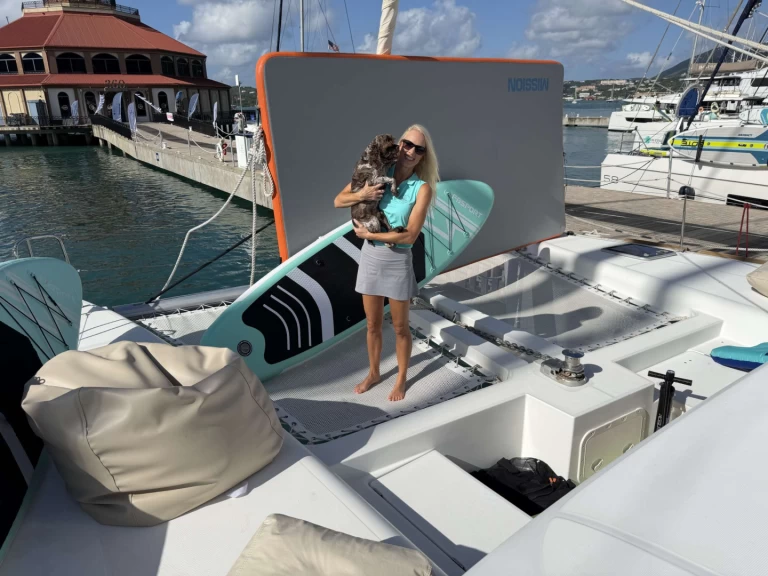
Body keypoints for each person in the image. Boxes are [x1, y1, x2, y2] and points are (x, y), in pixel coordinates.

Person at [333, 124, 439, 401]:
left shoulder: (422, 188)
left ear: (424, 156)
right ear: (398, 144)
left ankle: (402, 377)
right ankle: (374, 373)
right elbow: (338, 200)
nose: (411, 152)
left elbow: (411, 235)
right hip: (371, 256)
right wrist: (362, 195)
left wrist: (370, 233)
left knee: (401, 327)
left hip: (397, 260)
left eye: (419, 149)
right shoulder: (378, 174)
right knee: (372, 325)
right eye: (407, 144)